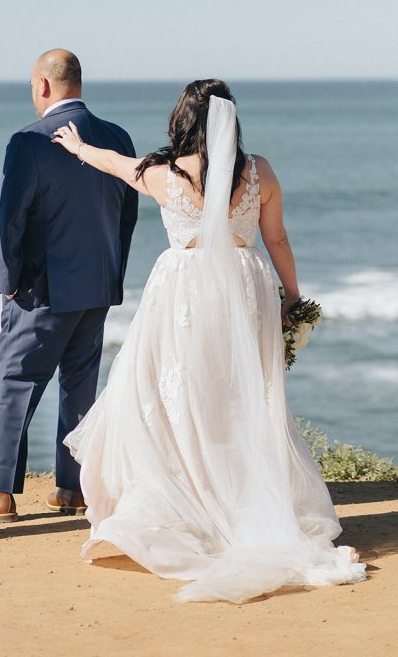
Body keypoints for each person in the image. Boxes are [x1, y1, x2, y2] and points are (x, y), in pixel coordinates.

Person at [51, 79, 365, 603]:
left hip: (182, 295)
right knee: (241, 402)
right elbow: (277, 238)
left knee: (179, 401)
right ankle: (244, 502)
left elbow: (114, 163)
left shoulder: (159, 172)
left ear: (182, 120)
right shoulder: (258, 171)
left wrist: (79, 147)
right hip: (244, 289)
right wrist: (292, 295)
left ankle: (189, 504)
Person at [0, 49, 138, 523]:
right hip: (98, 284)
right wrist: (112, 273)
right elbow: (127, 217)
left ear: (43, 84)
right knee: (79, 386)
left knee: (15, 380)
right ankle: (72, 488)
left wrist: (7, 281)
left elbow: (9, 222)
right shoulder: (117, 136)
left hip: (42, 290)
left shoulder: (30, 141)